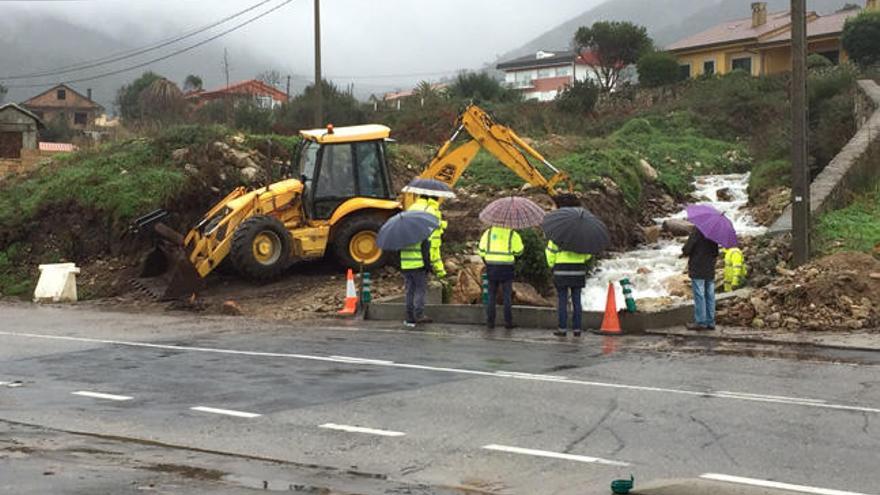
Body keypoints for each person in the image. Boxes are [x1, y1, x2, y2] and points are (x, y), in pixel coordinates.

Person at [479, 225, 524, 329]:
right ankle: (508, 322)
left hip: (491, 266)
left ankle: (490, 322)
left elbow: (481, 250)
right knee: (507, 295)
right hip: (506, 267)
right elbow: (519, 251)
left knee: (491, 295)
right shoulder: (512, 234)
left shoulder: (488, 233)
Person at [546, 240, 591, 337]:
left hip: (561, 271)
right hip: (578, 271)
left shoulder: (555, 237)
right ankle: (577, 329)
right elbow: (587, 255)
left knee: (562, 301)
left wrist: (552, 264)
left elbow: (550, 253)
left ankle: (562, 329)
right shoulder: (581, 236)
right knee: (577, 301)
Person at [682, 228, 720, 330]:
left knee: (699, 295)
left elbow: (687, 249)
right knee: (710, 295)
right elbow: (716, 252)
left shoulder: (697, 231)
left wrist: (684, 251)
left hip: (698, 267)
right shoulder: (713, 233)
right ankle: (710, 322)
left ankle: (701, 322)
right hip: (709, 269)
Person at [399, 233, 437, 328]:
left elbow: (397, 254)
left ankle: (409, 317)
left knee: (409, 292)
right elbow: (425, 255)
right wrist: (429, 268)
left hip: (406, 267)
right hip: (418, 267)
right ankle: (419, 315)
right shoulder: (421, 237)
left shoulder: (401, 238)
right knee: (420, 291)